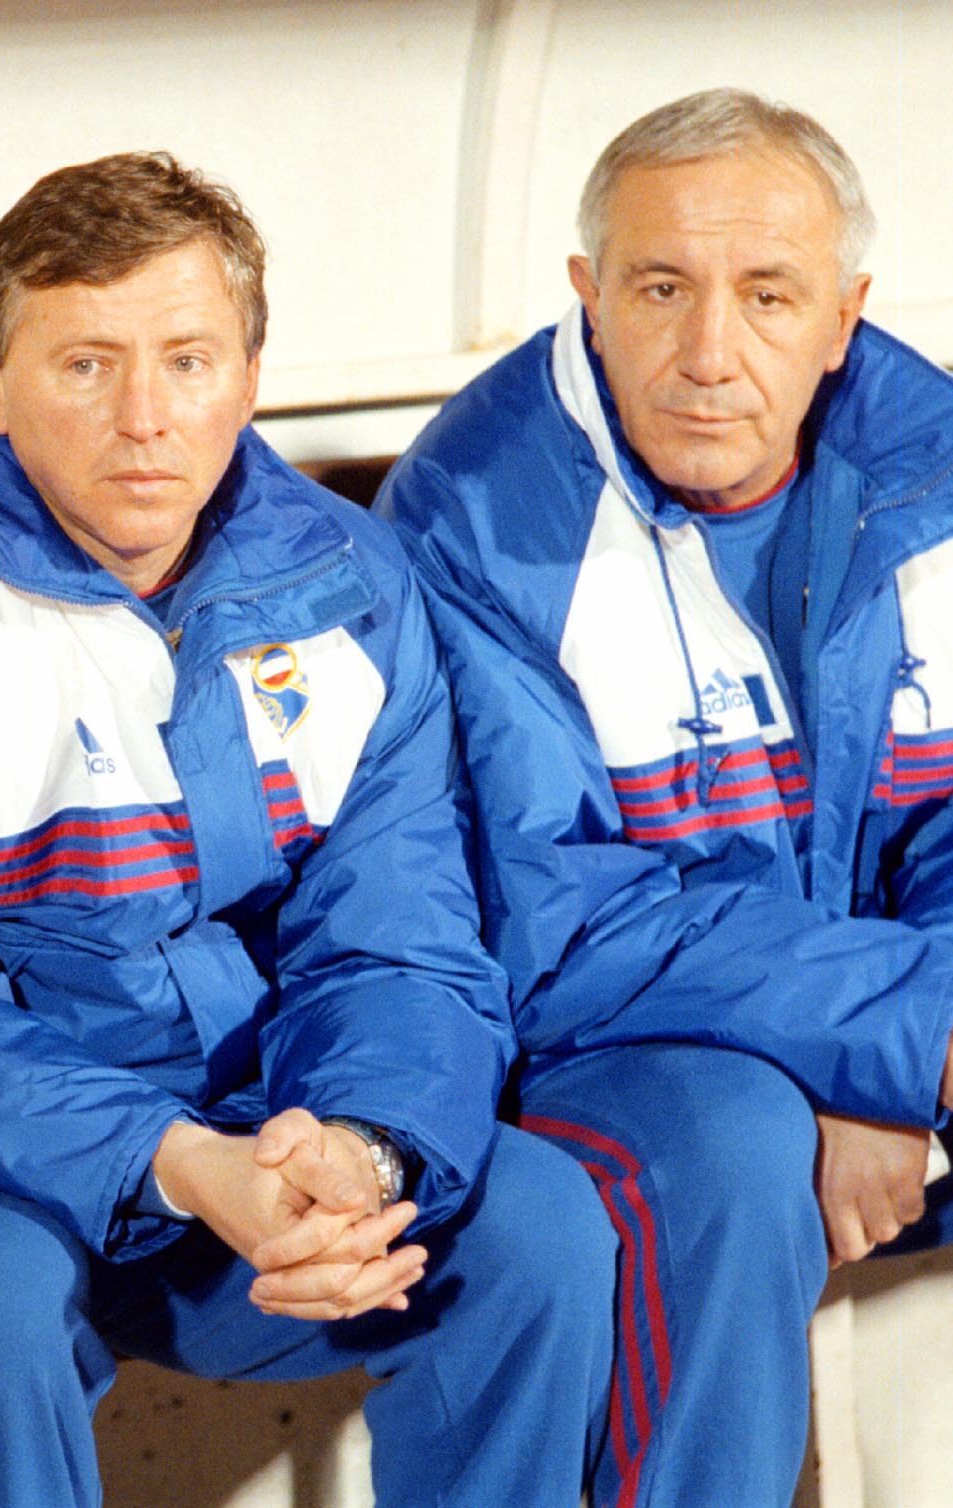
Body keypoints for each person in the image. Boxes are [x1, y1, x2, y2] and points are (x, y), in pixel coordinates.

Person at [0, 150, 615, 1508]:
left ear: (249, 376)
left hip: (255, 1134)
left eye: (188, 362)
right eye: (86, 365)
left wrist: (359, 1148)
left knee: (536, 1226)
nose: (144, 419)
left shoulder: (349, 579)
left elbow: (402, 940)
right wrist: (175, 1163)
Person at [380, 88, 953, 1508]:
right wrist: (891, 1041)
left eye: (768, 296)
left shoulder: (931, 469)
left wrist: (896, 1059)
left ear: (844, 316)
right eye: (659, 289)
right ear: (588, 297)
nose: (709, 352)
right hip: (592, 1040)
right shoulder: (476, 513)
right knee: (735, 1148)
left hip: (865, 1010)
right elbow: (554, 922)